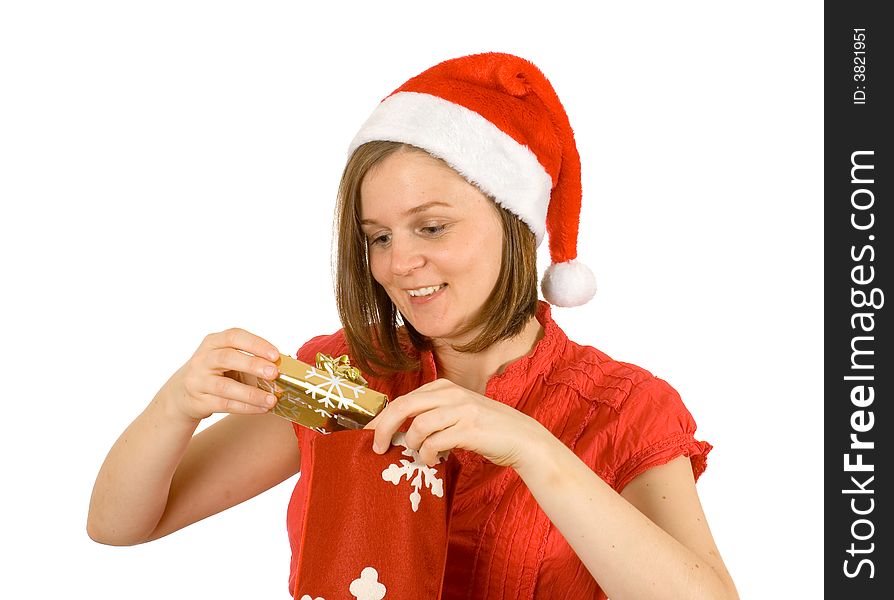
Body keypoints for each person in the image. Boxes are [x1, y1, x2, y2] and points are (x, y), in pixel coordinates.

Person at [88, 52, 739, 599]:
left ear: (514, 224)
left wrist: (535, 450)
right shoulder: (341, 377)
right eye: (377, 237)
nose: (399, 265)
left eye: (432, 227)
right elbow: (120, 525)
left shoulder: (623, 408)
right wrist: (176, 404)